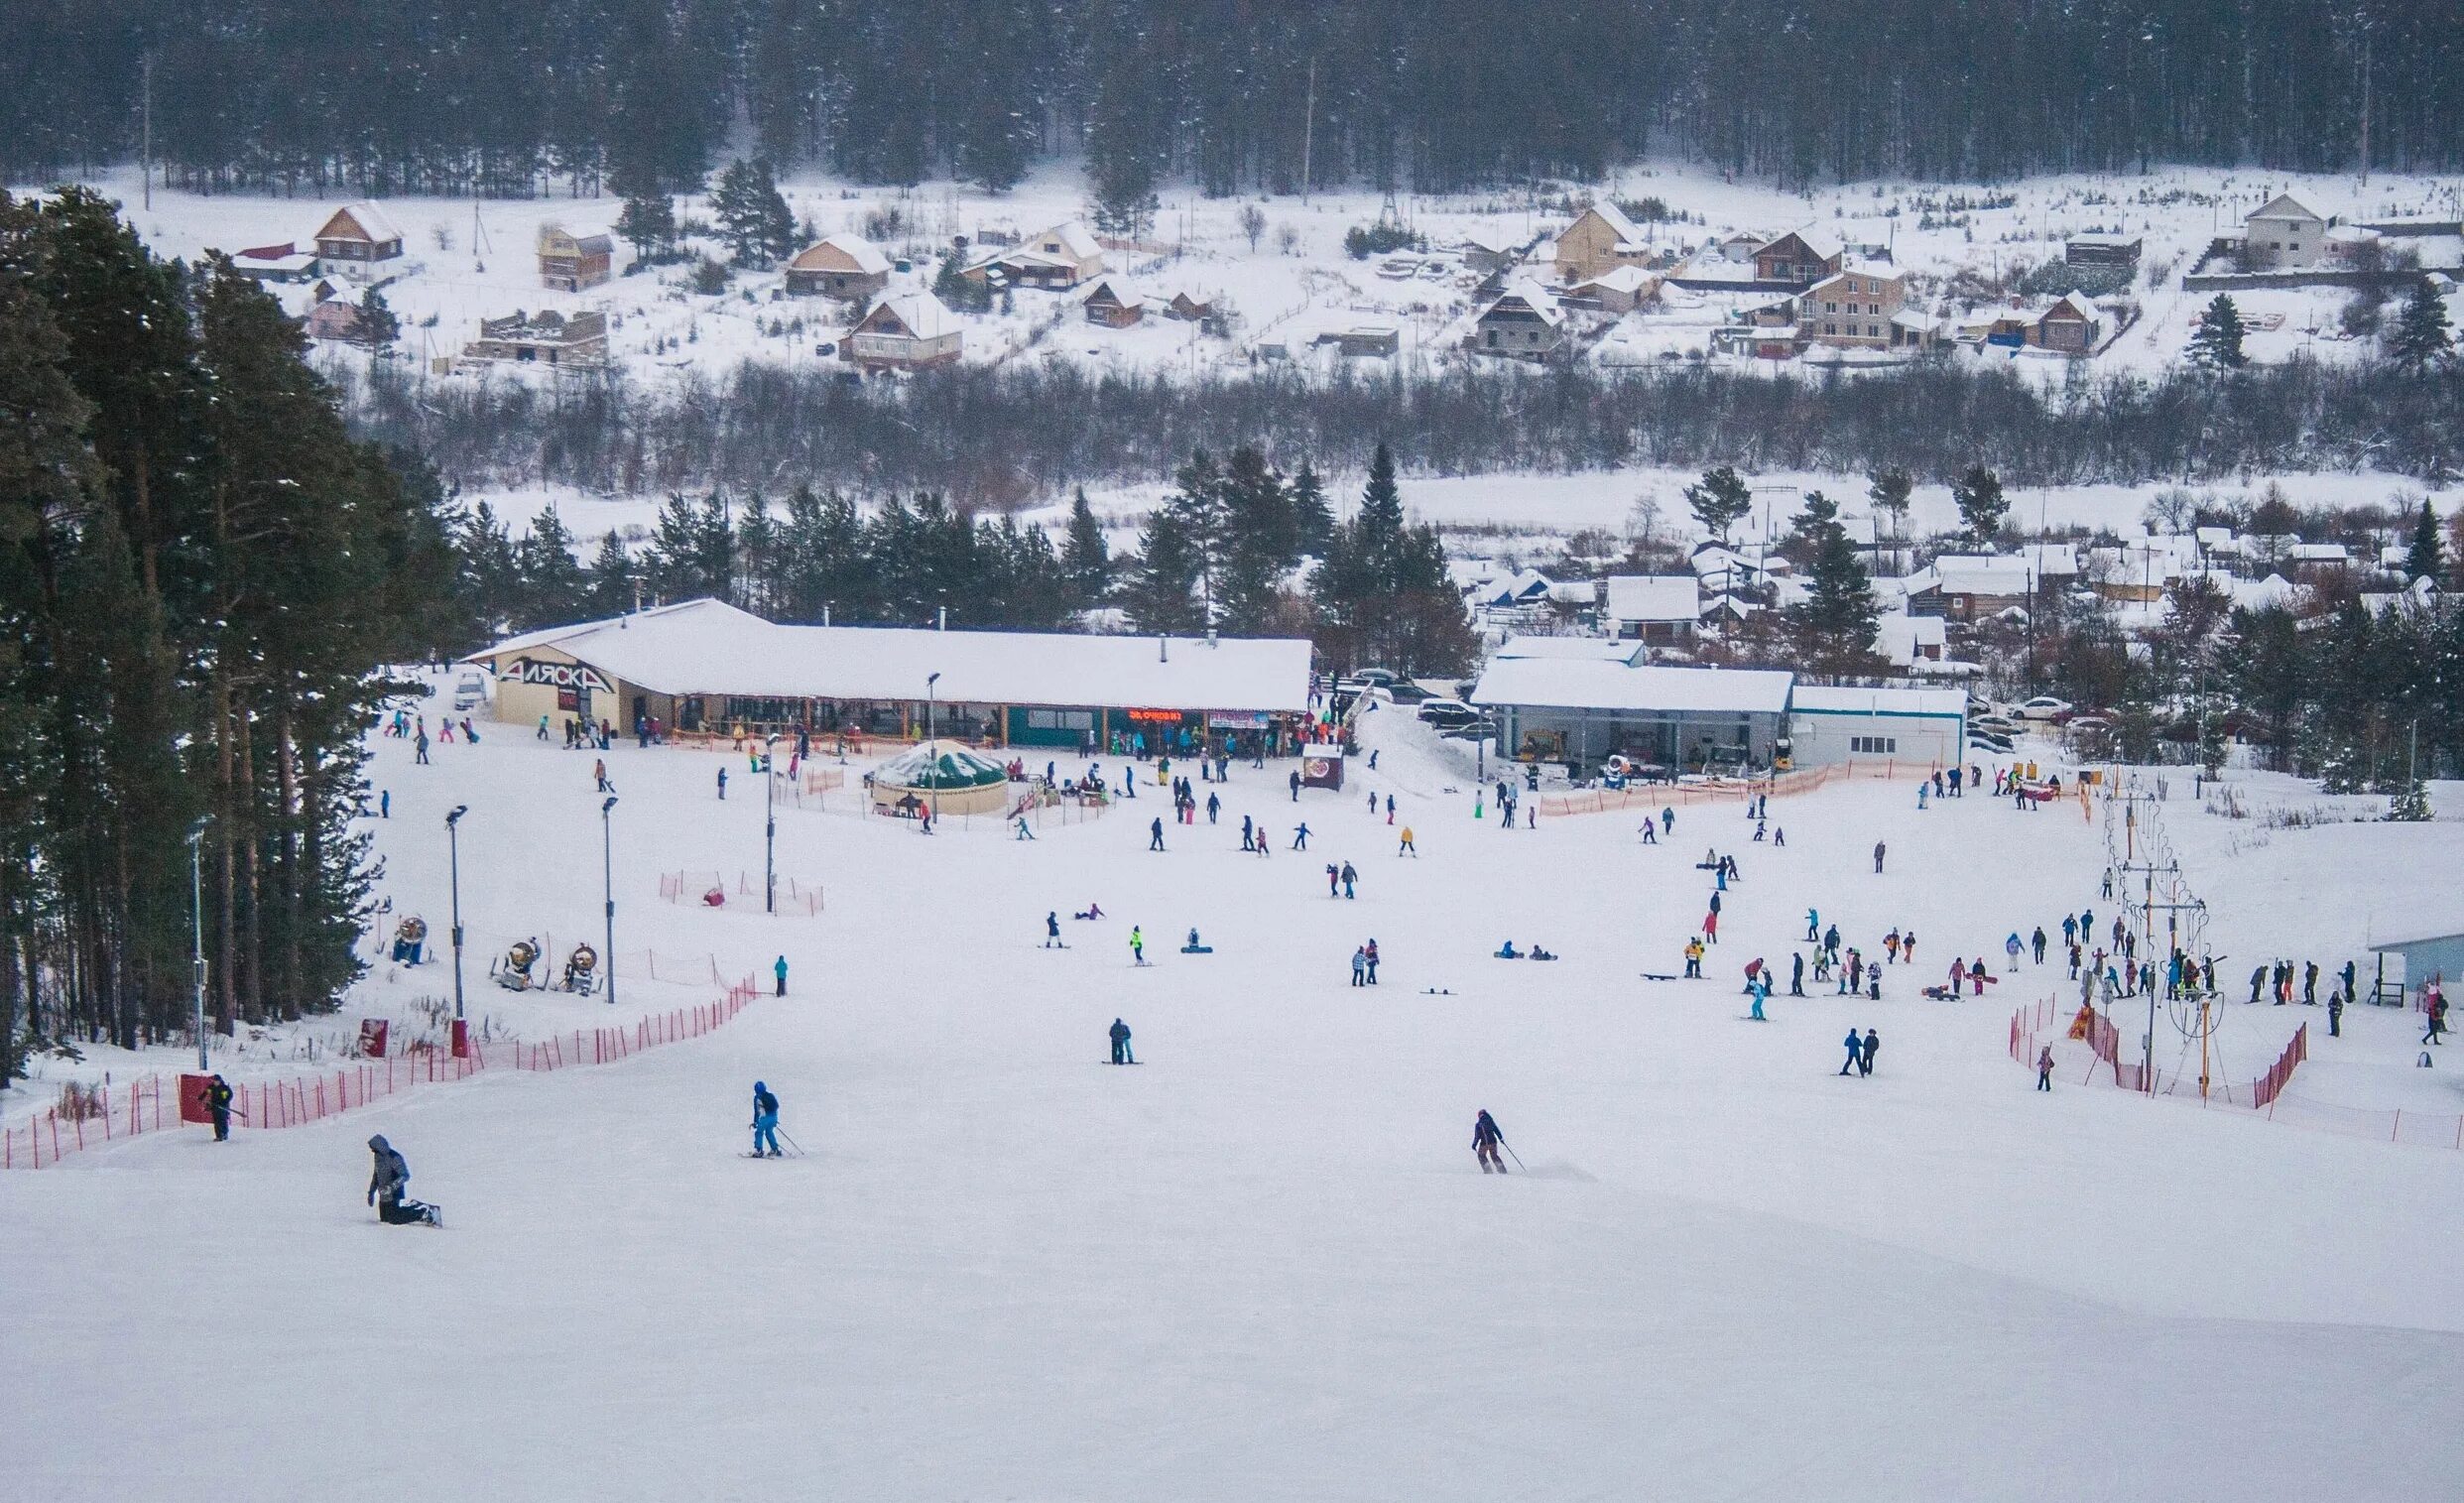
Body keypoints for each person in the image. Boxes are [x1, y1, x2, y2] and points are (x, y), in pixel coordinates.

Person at [366, 1135, 438, 1226]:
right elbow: (376, 1175)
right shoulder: (378, 1157)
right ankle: (414, 1207)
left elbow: (405, 1175)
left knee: (395, 1219)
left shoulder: (394, 1157)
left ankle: (424, 1213)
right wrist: (371, 1192)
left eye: (374, 1149)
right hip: (384, 1193)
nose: (372, 1151)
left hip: (394, 1193)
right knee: (385, 1219)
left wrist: (391, 1187)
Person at [750, 1082, 782, 1158]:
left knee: (759, 1132)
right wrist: (774, 1120)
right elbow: (776, 1107)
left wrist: (756, 1122)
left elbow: (757, 1111)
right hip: (774, 1117)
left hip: (765, 1118)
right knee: (769, 1132)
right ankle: (775, 1149)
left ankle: (759, 1150)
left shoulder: (757, 1098)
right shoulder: (770, 1095)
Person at [1473, 1110, 1508, 1175]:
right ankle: (1502, 1169)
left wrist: (1474, 1144)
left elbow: (1477, 1136)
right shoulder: (1490, 1121)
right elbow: (1496, 1130)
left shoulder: (1478, 1125)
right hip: (1493, 1142)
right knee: (1494, 1156)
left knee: (1481, 1156)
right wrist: (1501, 1139)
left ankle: (1487, 1169)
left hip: (1484, 1144)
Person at [205, 1073, 235, 1142]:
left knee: (223, 1120)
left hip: (223, 1107)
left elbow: (230, 1095)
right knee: (216, 1122)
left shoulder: (225, 1087)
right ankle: (219, 1136)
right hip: (215, 1106)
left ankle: (224, 1134)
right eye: (215, 1081)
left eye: (217, 1081)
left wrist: (225, 1102)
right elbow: (206, 1092)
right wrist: (201, 1098)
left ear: (220, 1081)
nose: (216, 1082)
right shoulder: (211, 1087)